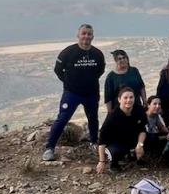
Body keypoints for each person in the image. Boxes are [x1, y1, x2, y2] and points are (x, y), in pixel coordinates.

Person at [43, 24, 106, 161]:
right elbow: (58, 70)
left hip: (91, 93)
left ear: (93, 37)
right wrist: (68, 82)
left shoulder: (97, 54)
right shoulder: (68, 52)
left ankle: (93, 143)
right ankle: (50, 147)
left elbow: (100, 71)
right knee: (63, 118)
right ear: (78, 35)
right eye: (84, 33)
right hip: (72, 93)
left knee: (93, 119)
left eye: (89, 34)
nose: (86, 36)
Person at [96, 87, 147, 174]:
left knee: (150, 139)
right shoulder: (113, 116)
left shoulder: (139, 110)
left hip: (132, 138)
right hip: (115, 142)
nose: (129, 100)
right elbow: (102, 140)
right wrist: (101, 161)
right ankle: (114, 164)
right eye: (125, 98)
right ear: (119, 100)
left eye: (131, 97)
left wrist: (140, 145)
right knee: (115, 152)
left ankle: (135, 155)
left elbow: (142, 130)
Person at [104, 49, 145, 114]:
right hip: (120, 110)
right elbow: (108, 97)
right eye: (119, 59)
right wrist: (109, 112)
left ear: (127, 58)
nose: (122, 60)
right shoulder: (111, 77)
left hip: (137, 106)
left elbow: (141, 87)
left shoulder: (134, 71)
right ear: (116, 61)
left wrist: (145, 102)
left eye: (124, 58)